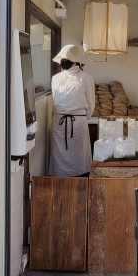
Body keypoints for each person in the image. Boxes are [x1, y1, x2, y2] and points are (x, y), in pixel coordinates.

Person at [48, 44, 95, 177]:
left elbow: (55, 101)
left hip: (61, 121)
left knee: (67, 155)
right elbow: (91, 104)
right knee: (77, 156)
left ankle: (61, 184)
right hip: (75, 121)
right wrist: (84, 117)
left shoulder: (56, 78)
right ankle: (79, 183)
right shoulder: (86, 78)